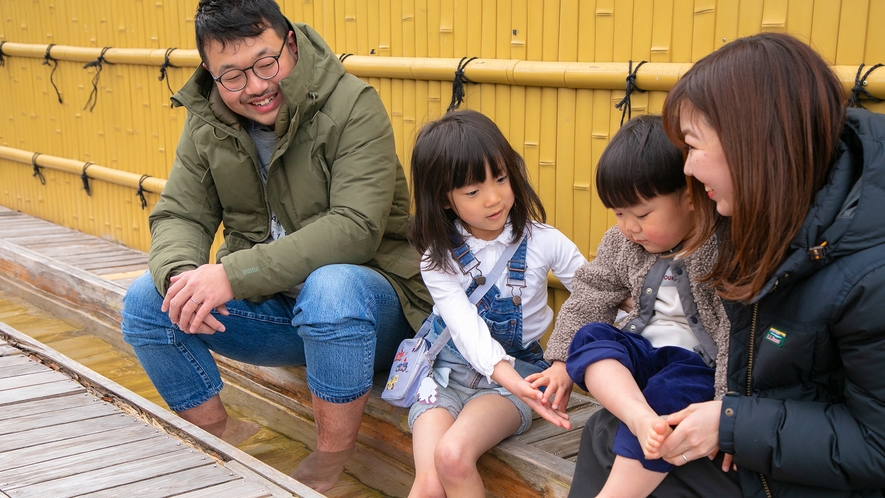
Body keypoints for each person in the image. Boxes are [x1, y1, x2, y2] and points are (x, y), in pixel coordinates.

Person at [120, 0, 432, 492]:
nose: (258, 87)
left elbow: (355, 227)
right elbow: (180, 214)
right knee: (147, 301)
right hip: (282, 313)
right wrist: (182, 275)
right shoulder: (208, 122)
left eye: (267, 63)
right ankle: (225, 440)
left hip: (373, 312)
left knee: (332, 288)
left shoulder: (353, 104)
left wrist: (232, 275)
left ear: (290, 42)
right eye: (233, 76)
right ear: (209, 72)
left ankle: (332, 465)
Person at [572, 32, 885, 497]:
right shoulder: (770, 213)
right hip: (760, 449)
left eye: (694, 147)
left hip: (799, 471)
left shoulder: (868, 272)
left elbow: (875, 447)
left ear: (755, 147)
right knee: (605, 433)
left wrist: (732, 423)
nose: (688, 169)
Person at [538, 115, 730, 497]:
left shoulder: (720, 249)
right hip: (641, 358)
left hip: (696, 369)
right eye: (618, 213)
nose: (629, 227)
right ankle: (639, 417)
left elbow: (733, 335)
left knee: (670, 391)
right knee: (591, 336)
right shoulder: (621, 244)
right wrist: (561, 362)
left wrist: (729, 409)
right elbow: (590, 295)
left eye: (641, 214)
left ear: (691, 198)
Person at [405, 109, 586, 497]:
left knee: (453, 456)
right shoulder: (438, 259)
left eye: (501, 178)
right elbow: (466, 330)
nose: (494, 198)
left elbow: (597, 297)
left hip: (516, 377)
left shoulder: (545, 240)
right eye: (473, 191)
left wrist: (566, 363)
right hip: (446, 374)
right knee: (427, 483)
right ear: (445, 199)